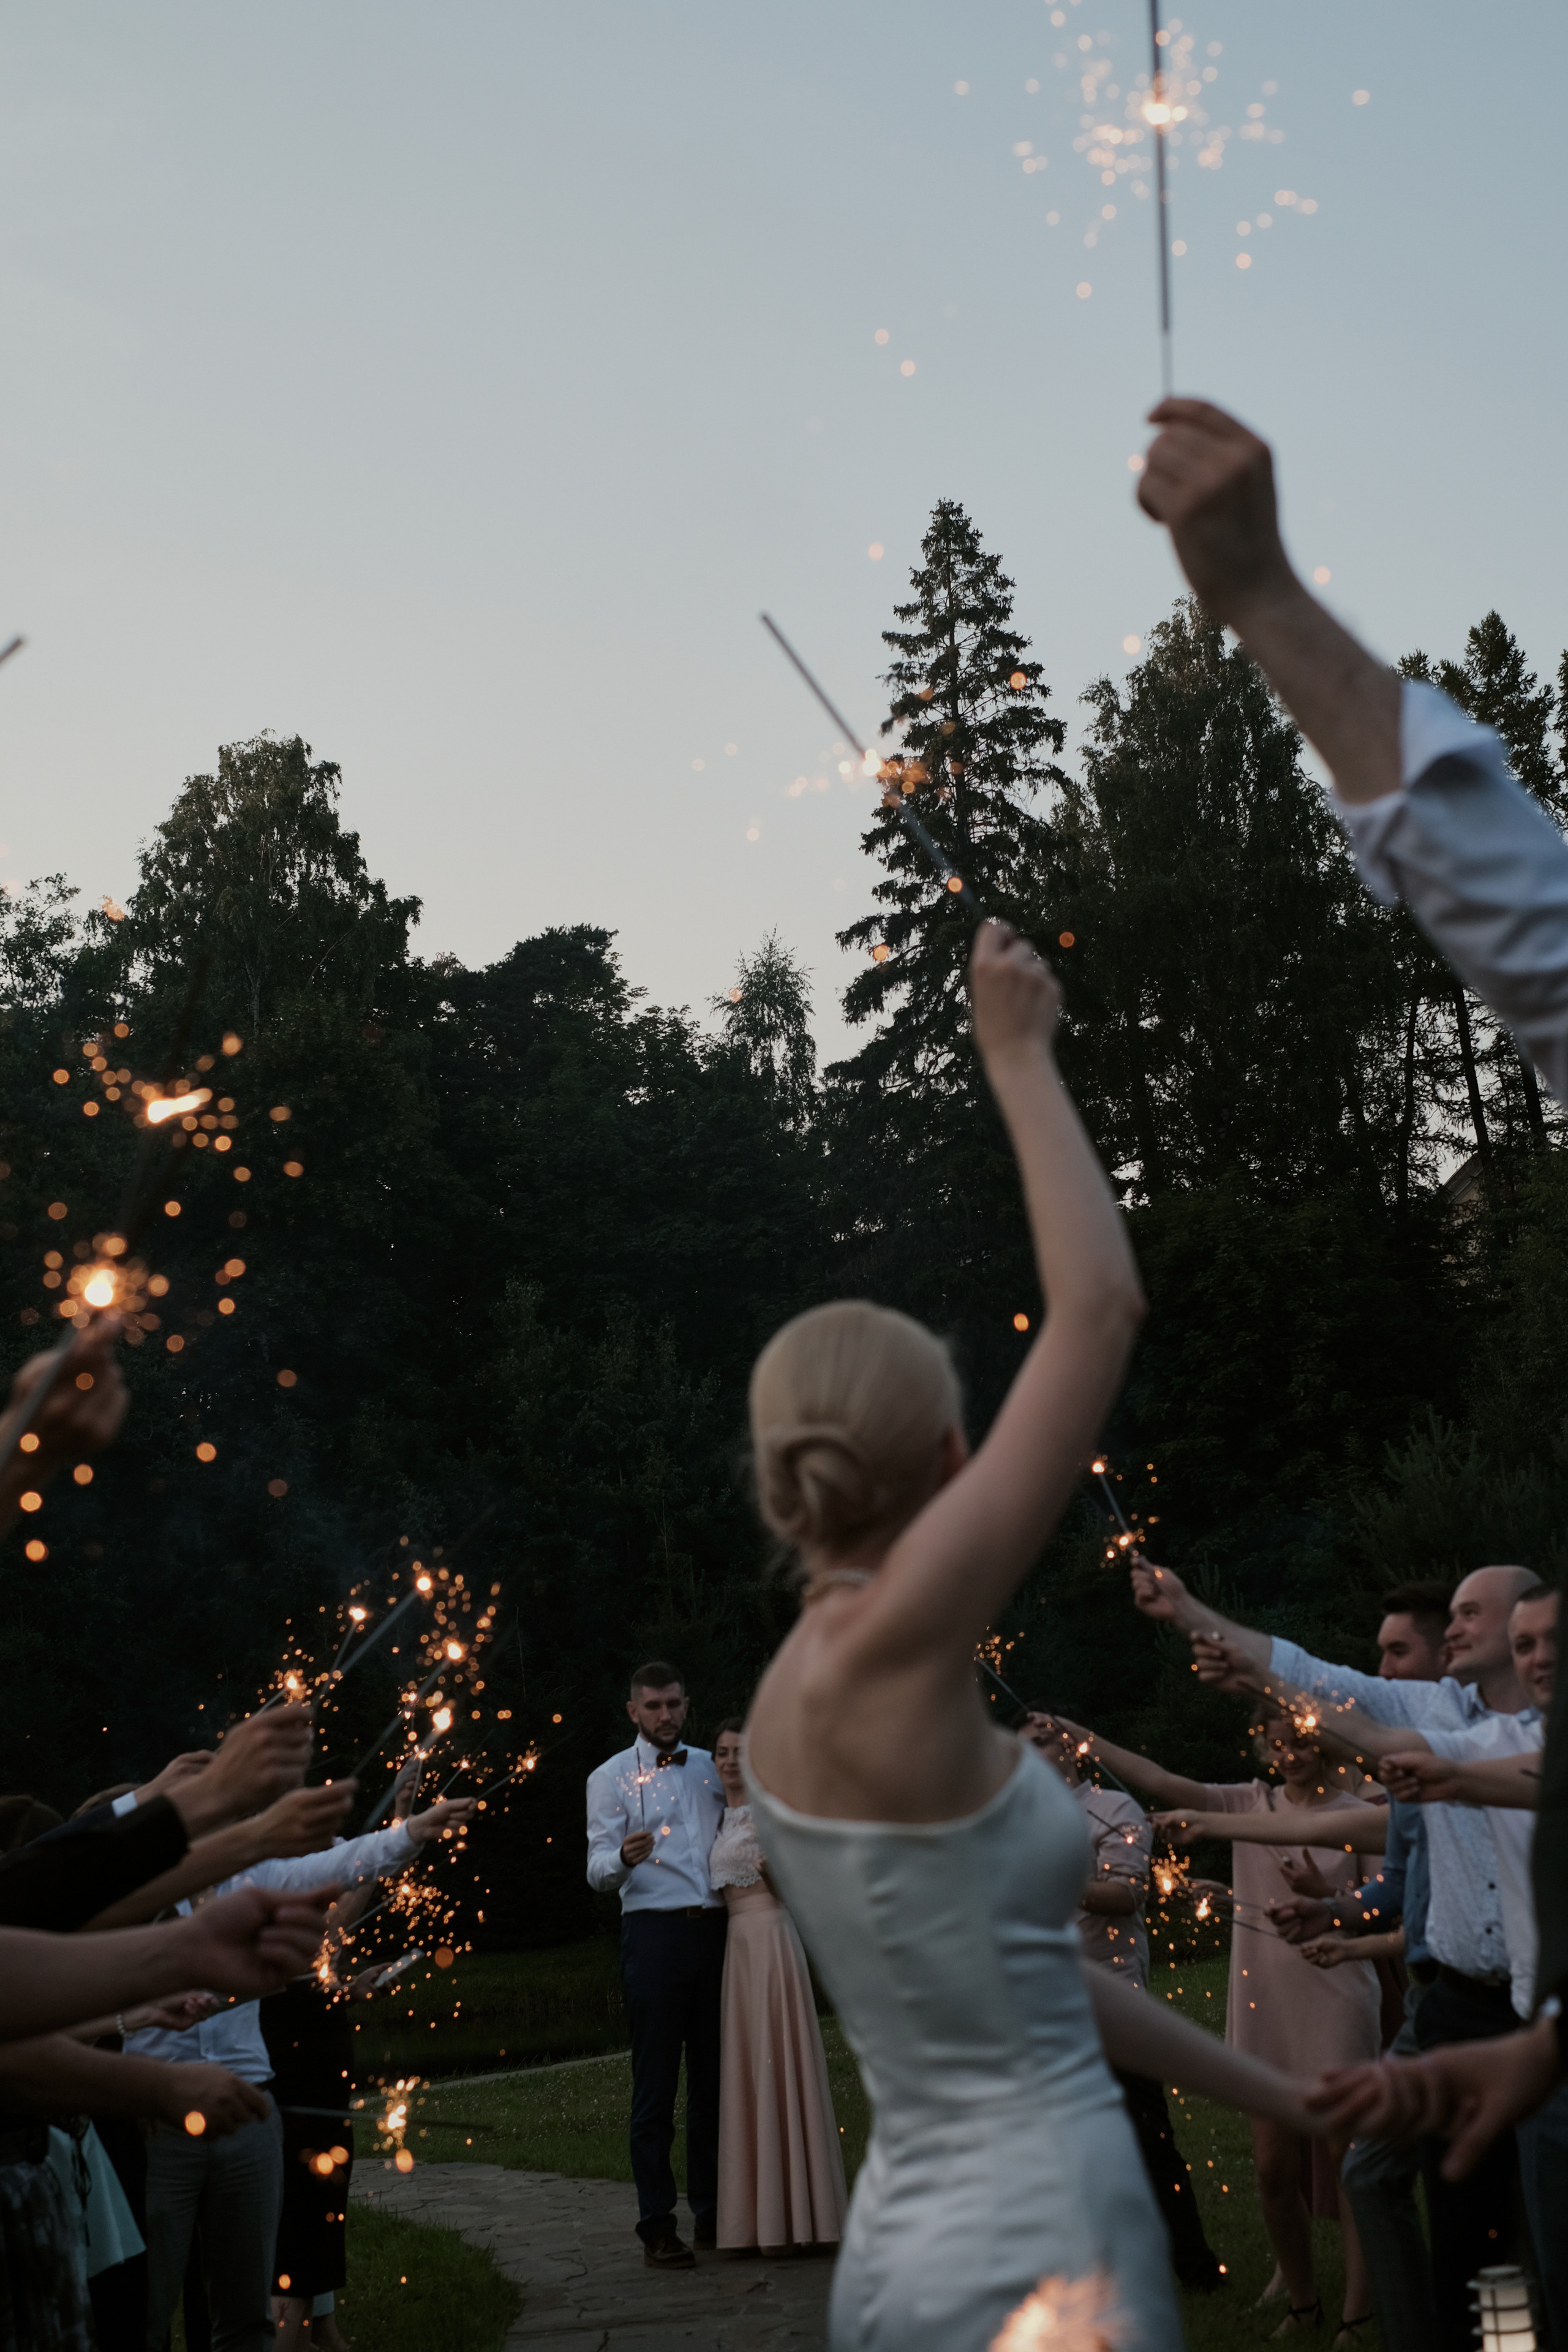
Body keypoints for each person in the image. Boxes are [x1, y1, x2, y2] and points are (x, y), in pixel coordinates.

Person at [741, 919, 1329, 2352]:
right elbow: (1097, 1305)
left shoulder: (783, 1694)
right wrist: (1012, 1050)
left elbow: (1035, 1985)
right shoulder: (885, 1641)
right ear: (952, 1458)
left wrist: (1292, 2099)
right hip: (1036, 2250)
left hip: (921, 2241)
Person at [1132, 1555, 1535, 2351]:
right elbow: (1324, 1693)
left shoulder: (1501, 1739)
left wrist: (1451, 1779)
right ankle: (1429, 2332)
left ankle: (1508, 2335)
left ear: (1525, 1633)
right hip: (1446, 2004)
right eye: (1447, 1615)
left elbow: (1378, 1811)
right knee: (1417, 2197)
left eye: (1470, 1615)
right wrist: (1193, 1616)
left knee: (1522, 2221)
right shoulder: (1435, 1720)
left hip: (1531, 2010)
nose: (1454, 1627)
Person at [1064, 1708, 1379, 2340]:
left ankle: (1359, 2309)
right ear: (1265, 1748)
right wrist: (1087, 1739)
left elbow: (1377, 1914)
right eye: (1278, 1744)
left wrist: (1326, 1898)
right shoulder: (1246, 1803)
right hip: (1264, 1995)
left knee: (1349, 2164)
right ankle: (1302, 2301)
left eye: (1301, 1744)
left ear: (1322, 1745)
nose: (1290, 1755)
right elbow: (1162, 1778)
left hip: (1336, 1991)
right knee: (1271, 2169)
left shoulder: (1358, 1816)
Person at [127, 1792, 472, 2352]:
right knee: (151, 2301)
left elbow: (342, 1867)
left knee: (245, 2310)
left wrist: (410, 1830)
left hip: (249, 2107)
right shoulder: (142, 1894)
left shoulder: (257, 1876)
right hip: (163, 2116)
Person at [1020, 1708, 1223, 2295]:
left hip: (1111, 1989)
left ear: (1075, 1753)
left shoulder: (1114, 1810)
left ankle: (1194, 2265)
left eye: (1047, 1742)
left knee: (1145, 2135)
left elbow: (1126, 1894)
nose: (1037, 1754)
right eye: (1025, 1746)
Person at [585, 1662, 726, 2267]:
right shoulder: (609, 1777)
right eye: (653, 1706)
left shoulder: (713, 1768)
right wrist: (622, 1857)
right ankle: (657, 2223)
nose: (665, 1715)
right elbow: (595, 1872)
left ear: (686, 1705)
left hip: (719, 1934)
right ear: (633, 1712)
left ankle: (715, 2214)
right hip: (653, 1937)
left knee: (716, 2088)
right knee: (655, 2089)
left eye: (673, 1704)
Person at [707, 1718, 846, 2256]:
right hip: (737, 1948)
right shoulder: (722, 1818)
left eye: (740, 1752)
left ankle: (803, 2218)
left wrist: (778, 1874)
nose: (728, 1760)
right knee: (748, 2071)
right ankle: (754, 2222)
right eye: (721, 1751)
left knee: (780, 2064)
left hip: (771, 1937)